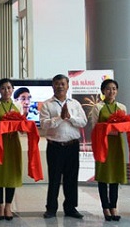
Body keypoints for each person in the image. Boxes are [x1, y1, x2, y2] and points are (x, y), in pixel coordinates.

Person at [39, 74, 87, 219]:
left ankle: (71, 208)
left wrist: (70, 118)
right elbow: (44, 124)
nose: (60, 86)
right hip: (55, 146)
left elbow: (83, 122)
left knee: (71, 178)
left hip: (72, 146)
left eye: (62, 84)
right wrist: (60, 117)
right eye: (57, 84)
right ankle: (51, 209)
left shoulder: (75, 104)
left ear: (67, 86)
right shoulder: (47, 104)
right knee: (54, 178)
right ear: (52, 86)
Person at [0, 78, 24, 220]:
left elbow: (21, 126)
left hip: (13, 143)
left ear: (12, 89)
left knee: (11, 174)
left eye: (9, 88)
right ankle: (0, 205)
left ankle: (8, 206)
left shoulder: (18, 105)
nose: (6, 91)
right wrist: (3, 126)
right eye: (3, 88)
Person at [88, 79, 126, 221]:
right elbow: (95, 128)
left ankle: (113, 206)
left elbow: (125, 126)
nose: (112, 91)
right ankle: (105, 207)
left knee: (115, 176)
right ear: (103, 91)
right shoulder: (98, 107)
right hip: (103, 144)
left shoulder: (121, 107)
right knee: (103, 176)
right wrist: (109, 130)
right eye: (108, 89)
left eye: (114, 88)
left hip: (117, 145)